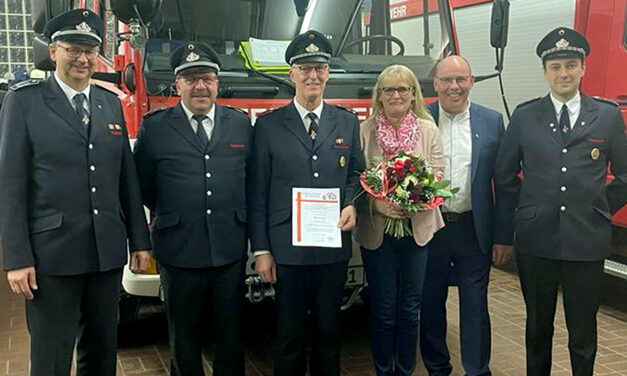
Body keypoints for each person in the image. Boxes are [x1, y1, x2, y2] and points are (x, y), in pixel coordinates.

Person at [0, 9, 151, 376]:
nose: (83, 58)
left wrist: (140, 242)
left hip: (105, 254)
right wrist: (17, 258)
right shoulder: (24, 102)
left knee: (101, 351)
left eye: (90, 49)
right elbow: (12, 184)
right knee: (51, 356)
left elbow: (125, 182)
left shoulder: (108, 102)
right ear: (53, 51)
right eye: (73, 48)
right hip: (52, 256)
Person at [495, 27, 627, 376]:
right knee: (538, 328)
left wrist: (600, 208)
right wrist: (514, 224)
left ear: (583, 68)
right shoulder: (525, 116)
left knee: (583, 332)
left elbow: (626, 176)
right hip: (536, 242)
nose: (564, 73)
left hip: (587, 241)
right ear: (545, 72)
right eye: (555, 67)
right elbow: (506, 177)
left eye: (571, 65)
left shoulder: (607, 116)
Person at [248, 30, 365, 376]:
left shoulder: (345, 121)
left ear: (328, 73)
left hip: (331, 247)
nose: (313, 76)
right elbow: (257, 193)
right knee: (289, 334)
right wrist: (262, 250)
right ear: (292, 74)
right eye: (305, 68)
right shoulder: (268, 126)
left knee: (330, 331)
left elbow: (355, 172)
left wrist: (351, 204)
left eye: (320, 68)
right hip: (287, 250)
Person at [133, 41, 251, 376]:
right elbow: (143, 185)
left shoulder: (239, 123)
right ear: (178, 83)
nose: (200, 86)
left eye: (208, 78)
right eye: (191, 78)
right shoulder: (155, 127)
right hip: (179, 249)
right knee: (184, 340)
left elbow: (250, 180)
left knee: (231, 336)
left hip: (229, 249)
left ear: (217, 83)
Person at [419, 55, 512, 376]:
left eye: (461, 79)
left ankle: (476, 369)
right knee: (430, 303)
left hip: (473, 229)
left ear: (472, 81)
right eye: (446, 80)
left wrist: (503, 236)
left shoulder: (492, 121)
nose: (454, 87)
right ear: (435, 84)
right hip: (432, 227)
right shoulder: (420, 118)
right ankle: (436, 368)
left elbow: (504, 183)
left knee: (475, 305)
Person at [352, 64, 444, 376]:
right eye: (388, 89)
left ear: (412, 94)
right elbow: (355, 179)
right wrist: (378, 206)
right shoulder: (364, 132)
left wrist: (416, 198)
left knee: (410, 309)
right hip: (378, 233)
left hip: (417, 231)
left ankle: (405, 370)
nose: (396, 95)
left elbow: (439, 174)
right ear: (378, 97)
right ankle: (383, 371)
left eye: (403, 89)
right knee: (383, 309)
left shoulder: (428, 129)